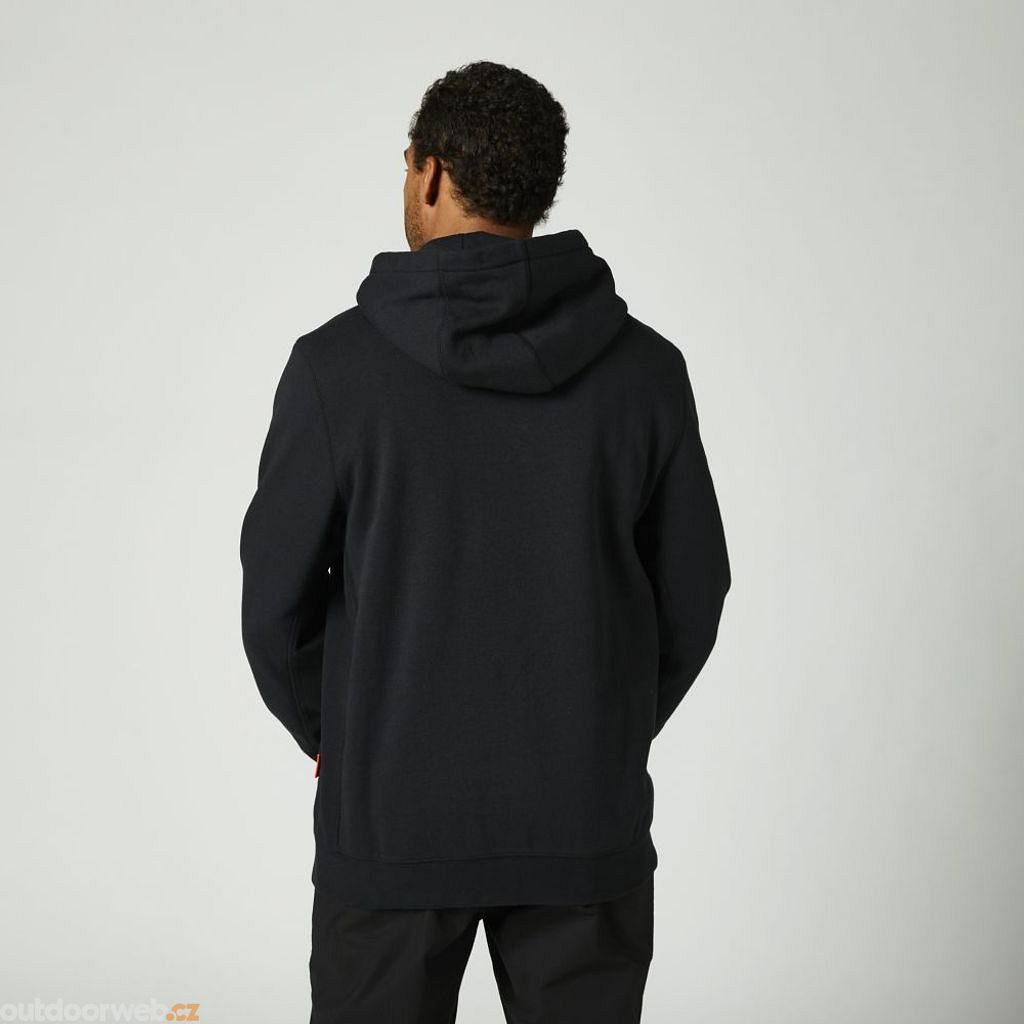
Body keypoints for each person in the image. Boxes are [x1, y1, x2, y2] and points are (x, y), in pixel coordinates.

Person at [239, 59, 731, 1023]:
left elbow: (275, 607)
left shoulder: (334, 371)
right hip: (582, 824)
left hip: (390, 826)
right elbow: (692, 595)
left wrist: (342, 732)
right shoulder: (646, 372)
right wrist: (600, 727)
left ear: (427, 173)